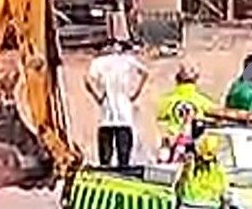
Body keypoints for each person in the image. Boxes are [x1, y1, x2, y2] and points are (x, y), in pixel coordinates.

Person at [86, 39, 148, 168]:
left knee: (105, 157)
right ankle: (123, 171)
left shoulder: (98, 62)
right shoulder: (126, 60)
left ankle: (106, 171)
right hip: (124, 109)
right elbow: (145, 72)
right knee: (124, 155)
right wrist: (136, 93)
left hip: (106, 111)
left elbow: (87, 80)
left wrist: (97, 96)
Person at [156, 64, 216, 161]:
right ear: (196, 80)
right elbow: (215, 113)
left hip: (173, 138)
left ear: (177, 80)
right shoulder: (201, 99)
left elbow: (157, 116)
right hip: (194, 140)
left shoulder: (167, 100)